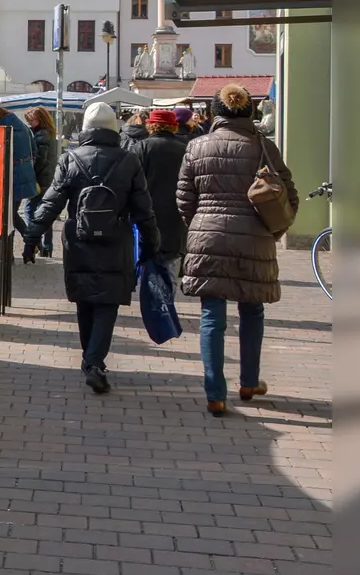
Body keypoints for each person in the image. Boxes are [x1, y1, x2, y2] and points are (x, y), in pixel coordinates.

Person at [178, 84, 297, 417]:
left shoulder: (197, 146)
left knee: (211, 316)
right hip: (255, 237)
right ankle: (249, 382)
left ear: (216, 112)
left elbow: (184, 198)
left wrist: (199, 226)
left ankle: (215, 394)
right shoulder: (265, 147)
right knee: (252, 310)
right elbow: (288, 195)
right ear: (250, 111)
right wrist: (273, 231)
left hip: (207, 238)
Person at [25, 101, 160, 394]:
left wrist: (31, 237)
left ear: (85, 127)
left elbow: (51, 202)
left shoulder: (71, 158)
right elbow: (143, 208)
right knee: (107, 303)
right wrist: (152, 243)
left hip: (78, 240)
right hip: (116, 240)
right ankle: (95, 361)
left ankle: (90, 360)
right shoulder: (128, 160)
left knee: (84, 299)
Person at [130, 110, 189, 269]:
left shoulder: (140, 148)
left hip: (147, 214)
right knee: (171, 264)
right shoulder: (185, 149)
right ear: (173, 127)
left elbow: (131, 182)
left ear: (151, 125)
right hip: (176, 216)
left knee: (147, 262)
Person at [0, 104, 37, 242]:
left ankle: (31, 241)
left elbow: (0, 155)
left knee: (8, 215)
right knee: (10, 214)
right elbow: (35, 150)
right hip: (25, 173)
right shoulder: (23, 127)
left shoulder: (5, 130)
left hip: (12, 176)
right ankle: (28, 243)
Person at [22, 107, 59, 261]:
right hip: (48, 179)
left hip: (40, 179)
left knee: (29, 210)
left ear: (39, 119)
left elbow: (40, 159)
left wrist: (31, 175)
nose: (29, 123)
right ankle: (47, 246)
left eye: (31, 120)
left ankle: (34, 242)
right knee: (45, 213)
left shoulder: (40, 135)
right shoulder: (50, 133)